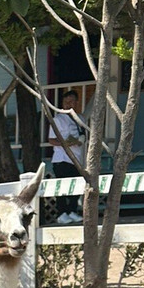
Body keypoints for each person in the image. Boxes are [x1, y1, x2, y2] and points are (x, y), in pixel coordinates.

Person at [47, 89, 85, 224]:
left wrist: (78, 140)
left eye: (71, 101)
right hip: (62, 158)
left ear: (76, 102)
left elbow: (83, 135)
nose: (68, 104)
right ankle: (61, 213)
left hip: (77, 158)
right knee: (62, 186)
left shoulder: (80, 118)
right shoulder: (58, 119)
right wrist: (65, 144)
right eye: (66, 102)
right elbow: (51, 140)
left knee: (77, 185)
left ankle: (72, 211)